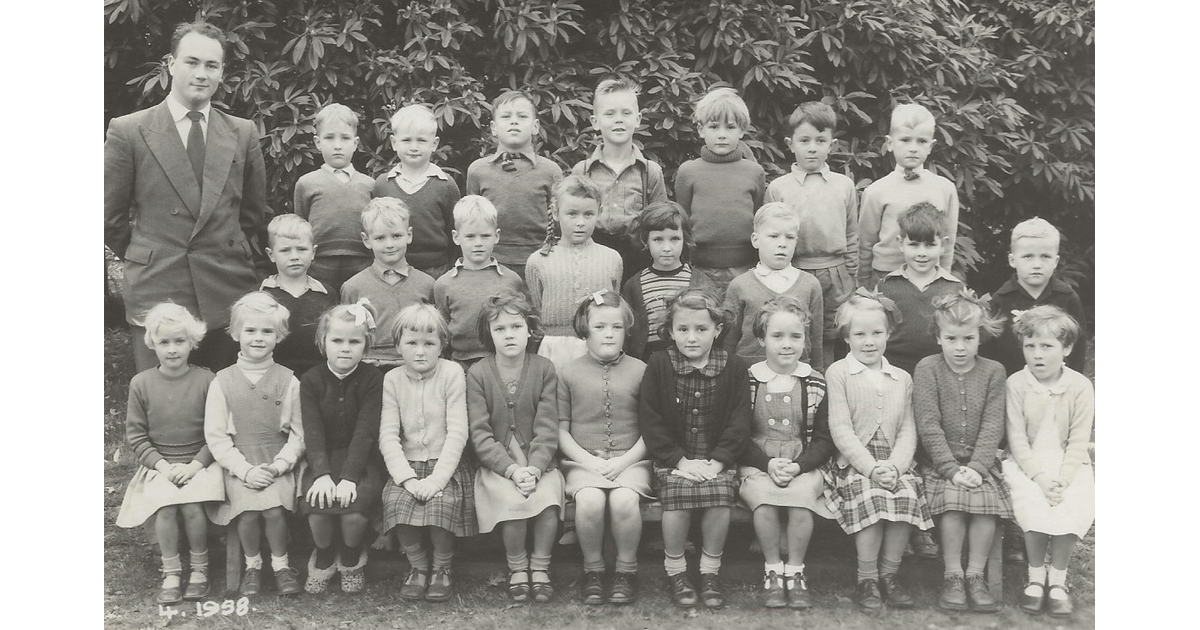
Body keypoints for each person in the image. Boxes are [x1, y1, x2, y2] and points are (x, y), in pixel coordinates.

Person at [105, 21, 269, 372]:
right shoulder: (129, 131)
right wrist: (149, 253)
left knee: (226, 413)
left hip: (226, 287)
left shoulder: (242, 133)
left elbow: (252, 214)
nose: (201, 73)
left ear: (222, 71)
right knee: (165, 413)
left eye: (212, 65)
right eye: (191, 62)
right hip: (158, 290)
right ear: (170, 63)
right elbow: (110, 217)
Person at [638, 288, 751, 609]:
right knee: (677, 495)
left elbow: (739, 423)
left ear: (717, 330)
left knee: (719, 494)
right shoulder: (659, 364)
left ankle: (709, 571)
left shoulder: (734, 367)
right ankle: (675, 570)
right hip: (674, 458)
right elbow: (651, 419)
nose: (691, 337)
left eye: (701, 329)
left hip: (717, 458)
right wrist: (679, 461)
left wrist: (718, 462)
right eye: (683, 329)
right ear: (670, 331)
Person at [823, 291, 933, 614]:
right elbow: (841, 429)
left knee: (905, 495)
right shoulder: (838, 373)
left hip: (896, 461)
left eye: (876, 333)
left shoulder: (902, 378)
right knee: (871, 496)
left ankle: (889, 574)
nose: (869, 342)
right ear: (846, 337)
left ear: (888, 334)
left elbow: (907, 429)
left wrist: (897, 467)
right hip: (855, 462)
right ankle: (867, 578)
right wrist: (872, 468)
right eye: (860, 334)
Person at [116, 303, 222, 605]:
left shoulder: (207, 380)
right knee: (166, 506)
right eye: (164, 342)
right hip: (160, 464)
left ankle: (201, 570)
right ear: (152, 344)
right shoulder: (142, 383)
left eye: (180, 341)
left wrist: (195, 465)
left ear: (192, 342)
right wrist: (162, 466)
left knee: (190, 506)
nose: (172, 349)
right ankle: (172, 571)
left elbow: (217, 432)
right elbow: (136, 435)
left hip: (200, 463)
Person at [913, 290, 1012, 612]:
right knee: (954, 503)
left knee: (985, 505)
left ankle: (975, 576)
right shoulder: (928, 368)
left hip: (982, 463)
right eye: (951, 338)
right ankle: (953, 575)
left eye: (968, 338)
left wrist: (979, 466)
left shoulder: (994, 372)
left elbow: (993, 426)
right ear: (938, 337)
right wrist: (952, 469)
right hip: (940, 463)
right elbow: (928, 425)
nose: (960, 347)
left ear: (980, 336)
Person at [737, 296, 835, 609]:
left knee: (801, 502)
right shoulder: (748, 380)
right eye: (777, 336)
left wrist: (799, 466)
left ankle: (795, 570)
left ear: (806, 340)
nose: (787, 344)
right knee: (764, 501)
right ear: (761, 339)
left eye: (795, 336)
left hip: (803, 462)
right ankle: (772, 571)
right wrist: (765, 463)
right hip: (757, 460)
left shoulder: (815, 382)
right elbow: (738, 436)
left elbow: (823, 439)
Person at [204, 292, 304, 597]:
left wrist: (279, 466)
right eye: (250, 330)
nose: (258, 338)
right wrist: (245, 471)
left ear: (279, 336)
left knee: (273, 510)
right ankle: (252, 566)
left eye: (267, 331)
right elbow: (217, 436)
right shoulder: (221, 382)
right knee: (247, 511)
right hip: (239, 464)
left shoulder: (289, 380)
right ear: (236, 334)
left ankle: (281, 565)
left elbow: (300, 434)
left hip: (277, 463)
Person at [467, 292, 565, 603]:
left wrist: (534, 468)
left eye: (516, 326)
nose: (509, 334)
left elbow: (548, 427)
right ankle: (518, 567)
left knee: (548, 503)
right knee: (513, 506)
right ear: (488, 334)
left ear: (530, 329)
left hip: (541, 461)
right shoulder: (478, 373)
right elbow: (479, 433)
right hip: (499, 465)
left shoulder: (544, 368)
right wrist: (511, 470)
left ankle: (540, 566)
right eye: (499, 329)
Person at [377, 304, 477, 602]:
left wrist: (436, 480)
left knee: (440, 506)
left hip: (445, 464)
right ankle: (418, 567)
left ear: (442, 345)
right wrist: (406, 479)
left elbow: (458, 432)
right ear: (397, 345)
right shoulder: (392, 379)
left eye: (429, 344)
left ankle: (442, 568)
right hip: (407, 465)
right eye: (411, 343)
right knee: (396, 503)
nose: (420, 351)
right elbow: (388, 435)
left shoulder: (452, 373)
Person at [556, 292, 650, 605]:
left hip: (633, 461)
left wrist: (625, 461)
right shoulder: (568, 372)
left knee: (625, 500)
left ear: (627, 330)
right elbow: (561, 429)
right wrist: (588, 462)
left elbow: (653, 429)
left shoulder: (641, 370)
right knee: (590, 501)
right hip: (582, 462)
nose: (609, 333)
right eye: (599, 327)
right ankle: (593, 569)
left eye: (616, 327)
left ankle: (626, 570)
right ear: (585, 330)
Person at [1001, 305, 1094, 617]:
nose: (1037, 355)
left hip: (1070, 464)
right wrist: (1040, 479)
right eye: (1030, 346)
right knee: (1033, 501)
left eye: (1047, 346)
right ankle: (1035, 577)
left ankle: (1058, 580)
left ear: (1066, 348)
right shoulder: (1016, 383)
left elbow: (1080, 440)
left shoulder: (1080, 386)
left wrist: (1064, 479)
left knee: (1074, 499)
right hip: (1027, 464)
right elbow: (1016, 439)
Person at [765, 101, 859, 371]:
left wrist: (851, 275)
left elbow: (852, 233)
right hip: (796, 271)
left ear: (832, 144)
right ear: (790, 143)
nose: (812, 147)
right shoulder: (778, 188)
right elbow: (769, 235)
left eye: (820, 140)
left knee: (836, 334)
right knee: (795, 330)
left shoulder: (844, 185)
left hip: (836, 273)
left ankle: (834, 389)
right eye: (804, 140)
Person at [298, 301, 384, 595]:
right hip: (321, 459)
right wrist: (321, 474)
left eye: (354, 341)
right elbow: (312, 432)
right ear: (323, 342)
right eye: (337, 340)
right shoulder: (310, 380)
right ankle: (323, 554)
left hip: (361, 461)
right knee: (318, 508)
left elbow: (365, 432)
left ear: (366, 344)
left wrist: (348, 477)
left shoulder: (373, 380)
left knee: (353, 512)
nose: (345, 348)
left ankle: (350, 556)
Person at [570, 77, 669, 280]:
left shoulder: (651, 172)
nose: (618, 119)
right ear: (595, 122)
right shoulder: (583, 171)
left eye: (626, 113)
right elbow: (571, 220)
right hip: (591, 260)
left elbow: (661, 225)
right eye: (609, 114)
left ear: (638, 119)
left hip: (638, 264)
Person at [674, 87, 766, 300]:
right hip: (700, 269)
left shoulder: (754, 172)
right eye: (714, 127)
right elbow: (683, 223)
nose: (722, 134)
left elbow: (760, 220)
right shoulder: (688, 172)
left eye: (730, 127)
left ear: (741, 130)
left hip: (745, 269)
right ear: (701, 130)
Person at [858, 103, 959, 289]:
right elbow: (865, 243)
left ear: (931, 146)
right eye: (905, 140)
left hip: (929, 276)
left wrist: (944, 280)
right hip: (884, 276)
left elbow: (948, 241)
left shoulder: (945, 189)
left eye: (921, 141)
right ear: (889, 143)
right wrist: (863, 286)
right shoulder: (876, 191)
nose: (913, 148)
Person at [526, 175, 623, 369]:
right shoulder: (538, 261)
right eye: (572, 214)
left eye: (588, 214)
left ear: (599, 213)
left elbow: (613, 303)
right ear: (555, 213)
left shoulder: (612, 258)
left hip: (597, 346)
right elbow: (536, 308)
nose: (580, 222)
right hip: (553, 349)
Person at [466, 90, 563, 280]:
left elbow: (559, 223)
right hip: (491, 262)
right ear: (493, 128)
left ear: (535, 126)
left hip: (540, 261)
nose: (514, 121)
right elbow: (470, 221)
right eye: (506, 116)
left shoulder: (550, 171)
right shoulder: (478, 171)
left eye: (522, 116)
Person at [982, 217, 1088, 375]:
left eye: (1045, 256)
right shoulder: (1000, 300)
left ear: (1056, 261)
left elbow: (1078, 347)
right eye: (1028, 256)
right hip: (1012, 387)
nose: (1037, 264)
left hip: (1057, 385)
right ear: (1012, 260)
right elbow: (989, 351)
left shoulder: (1067, 298)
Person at [723, 202, 823, 369]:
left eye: (789, 237)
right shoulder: (739, 285)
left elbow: (816, 337)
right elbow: (729, 339)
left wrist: (818, 371)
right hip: (748, 372)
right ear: (756, 240)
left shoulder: (810, 284)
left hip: (796, 371)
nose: (782, 244)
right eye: (774, 236)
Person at [434, 195, 529, 371]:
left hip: (501, 362)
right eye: (470, 236)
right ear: (456, 237)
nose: (478, 243)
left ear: (496, 236)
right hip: (459, 364)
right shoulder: (444, 284)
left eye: (485, 236)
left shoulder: (511, 280)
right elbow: (443, 330)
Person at [340, 198, 436, 370]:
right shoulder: (353, 287)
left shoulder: (427, 284)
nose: (389, 244)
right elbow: (347, 336)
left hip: (415, 365)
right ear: (366, 240)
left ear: (409, 235)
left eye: (397, 236)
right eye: (380, 238)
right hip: (369, 368)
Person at [372, 104, 462, 279]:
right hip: (392, 268)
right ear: (394, 142)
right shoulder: (382, 185)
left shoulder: (445, 185)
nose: (414, 147)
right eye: (406, 140)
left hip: (437, 269)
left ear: (434, 144)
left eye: (421, 140)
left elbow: (455, 232)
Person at [293, 103, 375, 293]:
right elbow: (301, 224)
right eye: (329, 138)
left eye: (345, 138)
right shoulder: (306, 184)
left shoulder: (369, 184)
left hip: (361, 261)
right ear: (318, 142)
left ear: (355, 143)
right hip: (320, 262)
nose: (337, 145)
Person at [876, 202, 965, 376]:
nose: (921, 253)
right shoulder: (885, 286)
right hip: (893, 371)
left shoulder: (956, 288)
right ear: (901, 243)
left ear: (943, 245)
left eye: (930, 245)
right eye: (914, 245)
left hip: (941, 372)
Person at [621, 201, 713, 360]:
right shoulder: (633, 285)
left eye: (675, 239)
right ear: (645, 241)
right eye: (658, 239)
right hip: (647, 362)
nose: (667, 248)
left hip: (689, 360)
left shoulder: (700, 283)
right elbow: (626, 331)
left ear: (685, 239)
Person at [260, 214, 338, 375]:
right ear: (271, 255)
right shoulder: (260, 296)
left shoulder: (326, 294)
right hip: (273, 377)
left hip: (318, 377)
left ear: (313, 252)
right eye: (285, 250)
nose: (294, 256)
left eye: (301, 249)